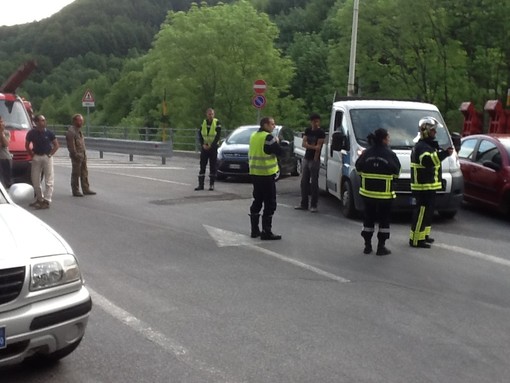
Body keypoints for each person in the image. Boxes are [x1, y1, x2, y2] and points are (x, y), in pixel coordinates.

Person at [355, 128, 401, 255]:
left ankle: (367, 246)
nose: (389, 140)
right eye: (388, 137)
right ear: (384, 139)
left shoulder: (366, 153)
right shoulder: (390, 154)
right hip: (385, 195)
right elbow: (396, 173)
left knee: (368, 219)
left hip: (367, 194)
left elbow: (358, 167)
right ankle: (381, 247)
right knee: (384, 220)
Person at [409, 117, 453, 248]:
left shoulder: (428, 145)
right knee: (421, 212)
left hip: (429, 186)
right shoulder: (422, 147)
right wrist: (444, 154)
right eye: (433, 130)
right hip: (422, 186)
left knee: (428, 212)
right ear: (425, 131)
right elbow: (427, 161)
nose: (435, 133)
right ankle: (416, 240)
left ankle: (424, 236)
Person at [248, 117, 284, 240]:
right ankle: (266, 231)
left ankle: (254, 230)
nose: (274, 126)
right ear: (265, 125)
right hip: (266, 174)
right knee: (270, 203)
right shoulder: (268, 137)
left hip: (255, 173)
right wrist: (277, 141)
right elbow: (280, 152)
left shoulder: (254, 136)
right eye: (272, 124)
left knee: (257, 200)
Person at [25, 115, 59, 209]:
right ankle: (39, 198)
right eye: (41, 120)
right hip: (37, 156)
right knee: (35, 179)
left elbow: (56, 145)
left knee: (49, 179)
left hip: (46, 156)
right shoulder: (31, 133)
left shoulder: (49, 133)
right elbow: (27, 145)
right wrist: (32, 155)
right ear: (36, 122)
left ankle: (47, 200)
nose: (43, 122)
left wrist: (50, 154)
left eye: (44, 120)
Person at [295, 113, 325, 212]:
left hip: (314, 159)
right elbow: (304, 144)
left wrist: (315, 159)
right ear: (311, 122)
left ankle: (314, 205)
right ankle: (304, 203)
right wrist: (313, 146)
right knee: (304, 182)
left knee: (314, 183)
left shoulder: (321, 133)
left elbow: (319, 148)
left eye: (317, 121)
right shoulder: (308, 131)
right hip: (306, 158)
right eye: (314, 121)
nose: (316, 123)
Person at [66, 114, 96, 197]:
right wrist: (75, 154)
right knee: (76, 173)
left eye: (82, 120)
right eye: (79, 120)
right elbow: (71, 146)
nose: (81, 122)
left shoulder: (79, 131)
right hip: (77, 156)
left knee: (84, 172)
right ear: (74, 121)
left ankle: (86, 189)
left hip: (82, 155)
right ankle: (75, 190)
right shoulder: (71, 132)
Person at [195, 108, 221, 191]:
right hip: (205, 147)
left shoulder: (217, 123)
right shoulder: (204, 123)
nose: (210, 115)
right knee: (202, 165)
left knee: (213, 166)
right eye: (209, 114)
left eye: (212, 114)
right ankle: (201, 185)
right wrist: (202, 144)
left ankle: (211, 185)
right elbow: (200, 134)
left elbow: (218, 136)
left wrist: (212, 145)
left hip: (213, 147)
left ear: (214, 115)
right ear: (207, 114)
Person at [0, 116, 12, 189]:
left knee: (6, 180)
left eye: (1, 122)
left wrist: (1, 132)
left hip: (5, 158)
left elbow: (5, 144)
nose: (1, 124)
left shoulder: (6, 132)